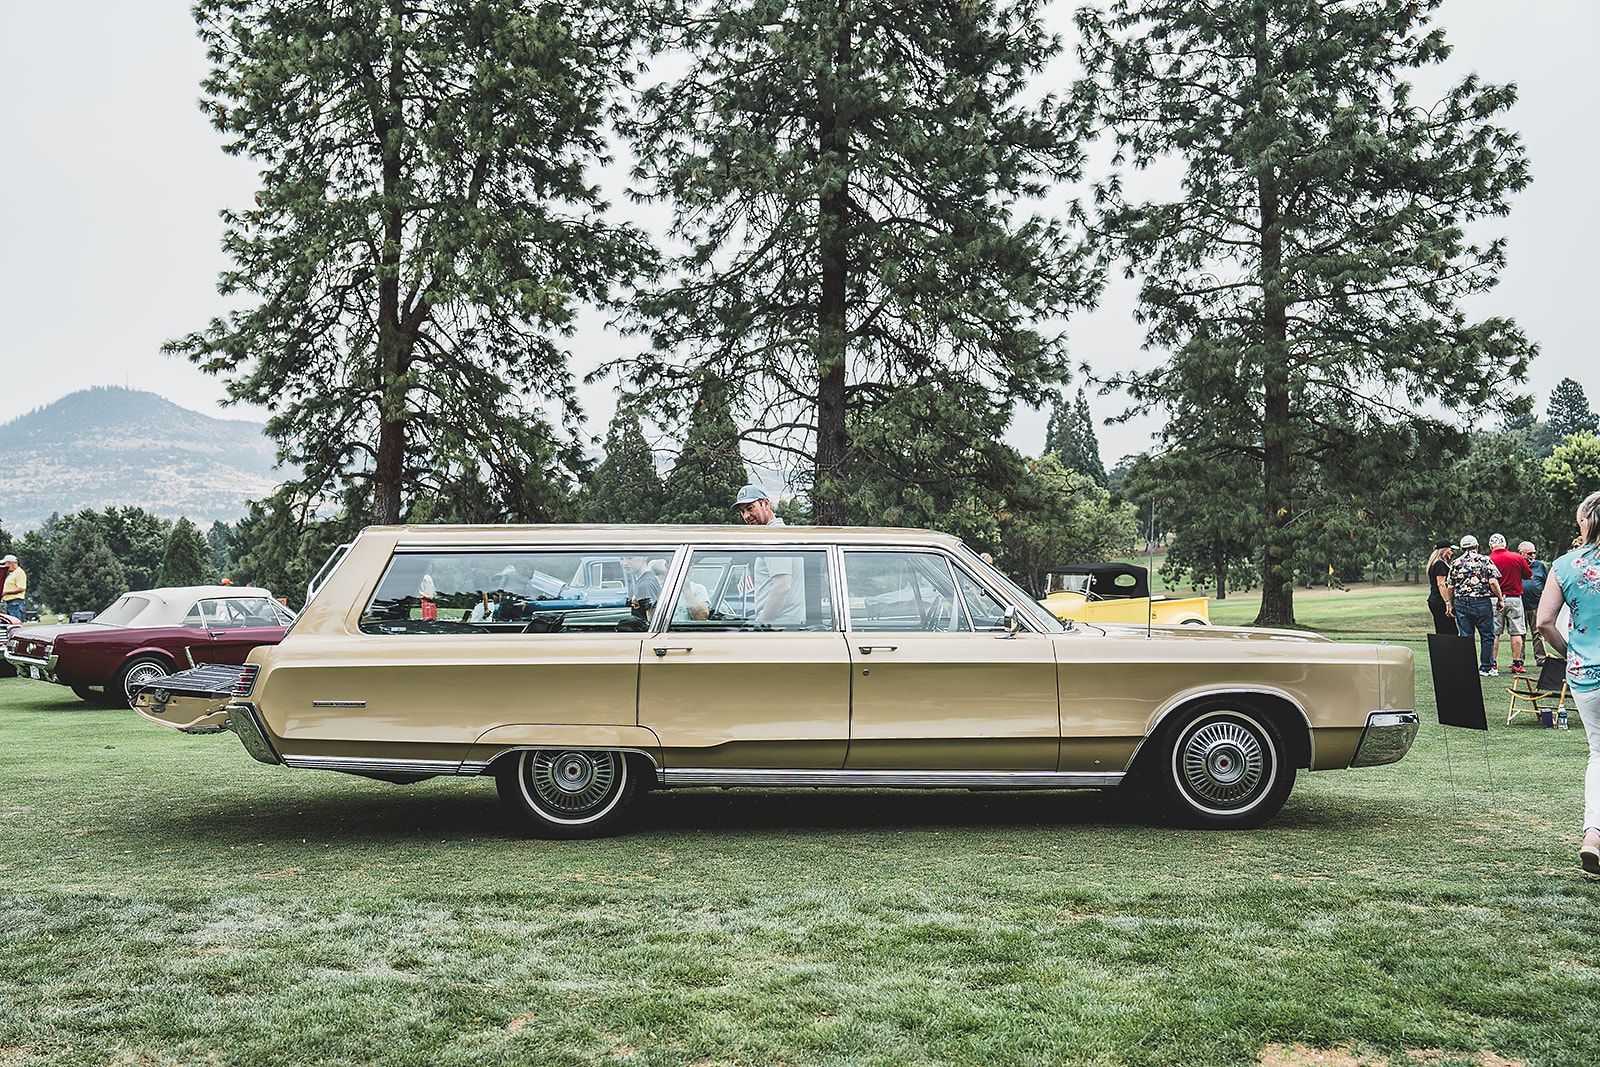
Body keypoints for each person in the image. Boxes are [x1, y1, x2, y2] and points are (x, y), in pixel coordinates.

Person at [1535, 489, 1600, 877]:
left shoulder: (1565, 564)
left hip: (1585, 674)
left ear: (1583, 522)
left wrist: (1568, 651)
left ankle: (1593, 833)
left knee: (1599, 753)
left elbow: (1544, 622)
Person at [733, 484, 805, 626]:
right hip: (783, 627)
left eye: (750, 508)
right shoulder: (779, 533)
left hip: (779, 629)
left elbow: (782, 586)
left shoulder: (774, 537)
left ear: (766, 504)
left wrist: (760, 623)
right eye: (742, 511)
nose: (746, 515)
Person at [1448, 534, 1505, 676]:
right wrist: (1500, 598)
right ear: (1477, 546)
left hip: (1461, 600)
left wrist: (1450, 603)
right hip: (1481, 601)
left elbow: (1450, 585)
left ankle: (1467, 666)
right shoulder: (1485, 560)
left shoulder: (1456, 562)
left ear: (1461, 548)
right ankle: (1486, 667)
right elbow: (1493, 581)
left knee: (1466, 635)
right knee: (1487, 635)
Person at [1488, 533, 1533, 674]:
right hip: (1514, 598)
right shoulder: (1517, 557)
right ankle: (1517, 663)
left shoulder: (1488, 559)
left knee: (1495, 632)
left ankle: (1492, 663)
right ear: (1505, 544)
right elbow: (1528, 575)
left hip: (1494, 598)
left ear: (1491, 546)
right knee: (1516, 632)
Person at [1520, 541, 1550, 667]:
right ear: (1521, 554)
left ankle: (1541, 659)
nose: (1532, 556)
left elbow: (1547, 583)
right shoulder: (1518, 565)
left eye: (1534, 553)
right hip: (1520, 605)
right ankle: (1519, 660)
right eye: (1529, 554)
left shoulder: (1540, 566)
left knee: (1537, 633)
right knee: (1519, 634)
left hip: (1537, 604)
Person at [1425, 539, 1455, 635]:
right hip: (1439, 601)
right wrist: (1447, 602)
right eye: (1451, 549)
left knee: (1442, 629)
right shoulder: (1439, 564)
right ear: (1445, 550)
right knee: (1450, 631)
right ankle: (1447, 650)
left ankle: (1444, 649)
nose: (1452, 552)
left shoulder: (1437, 563)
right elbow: (1441, 584)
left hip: (1435, 600)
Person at [621, 555, 661, 622]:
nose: (624, 563)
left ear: (645, 557)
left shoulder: (645, 583)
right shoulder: (637, 582)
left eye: (630, 558)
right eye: (621, 558)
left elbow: (651, 618)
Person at [1, 554, 26, 621]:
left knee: (15, 625)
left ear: (11, 563)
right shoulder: (12, 574)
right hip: (10, 603)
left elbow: (21, 588)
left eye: (5, 563)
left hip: (16, 604)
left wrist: (5, 592)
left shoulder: (19, 573)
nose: (5, 566)